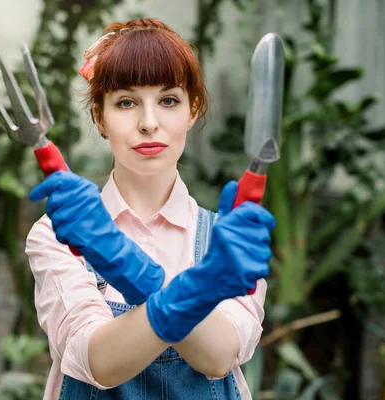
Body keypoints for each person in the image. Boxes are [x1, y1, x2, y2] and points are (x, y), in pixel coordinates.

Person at [25, 18, 275, 400]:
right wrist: (195, 290)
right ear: (99, 117)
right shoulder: (60, 234)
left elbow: (219, 357)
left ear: (192, 110)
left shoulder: (231, 242)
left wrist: (135, 272)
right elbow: (98, 362)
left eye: (168, 100)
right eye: (126, 102)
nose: (149, 123)